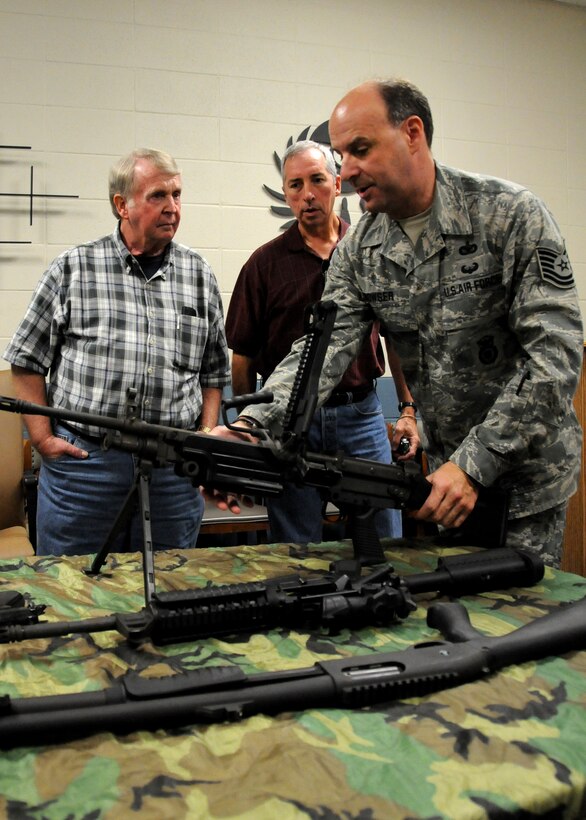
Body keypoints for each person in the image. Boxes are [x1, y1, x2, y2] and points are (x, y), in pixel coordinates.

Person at [222, 80, 583, 568]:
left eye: (360, 150)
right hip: (443, 484)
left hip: (524, 481)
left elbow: (555, 355)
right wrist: (250, 427)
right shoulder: (361, 249)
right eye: (341, 155)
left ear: (412, 133)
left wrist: (474, 464)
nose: (346, 173)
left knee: (523, 626)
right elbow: (320, 351)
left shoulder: (508, 215)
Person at [4, 148, 230, 557]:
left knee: (168, 589)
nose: (173, 208)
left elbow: (214, 373)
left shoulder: (199, 276)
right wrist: (42, 440)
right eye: (158, 196)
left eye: (177, 195)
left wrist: (206, 435)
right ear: (121, 205)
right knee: (73, 592)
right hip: (86, 468)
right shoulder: (73, 269)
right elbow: (26, 363)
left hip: (171, 474)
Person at [225, 140, 403, 543]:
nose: (307, 194)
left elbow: (396, 337)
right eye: (295, 185)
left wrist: (407, 408)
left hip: (359, 415)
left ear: (337, 184)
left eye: (317, 180)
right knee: (295, 548)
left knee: (383, 539)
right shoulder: (264, 264)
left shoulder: (370, 255)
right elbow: (244, 358)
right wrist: (253, 432)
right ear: (286, 194)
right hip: (290, 426)